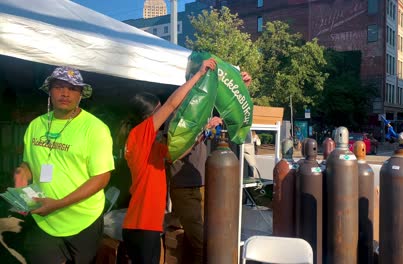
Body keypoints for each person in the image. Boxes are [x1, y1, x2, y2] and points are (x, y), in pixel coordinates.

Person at [13, 66, 115, 263]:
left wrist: (58, 204)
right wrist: (21, 176)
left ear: (81, 94)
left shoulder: (95, 129)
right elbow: (28, 163)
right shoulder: (36, 125)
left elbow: (102, 177)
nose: (65, 93)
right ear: (49, 91)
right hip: (43, 218)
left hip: (83, 218)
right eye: (59, 87)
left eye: (73, 88)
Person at [121, 59, 217, 264]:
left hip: (148, 226)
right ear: (148, 116)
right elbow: (173, 103)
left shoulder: (151, 146)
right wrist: (199, 75)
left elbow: (178, 153)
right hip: (142, 226)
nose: (164, 115)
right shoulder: (139, 135)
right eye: (159, 110)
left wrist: (204, 132)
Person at [167, 71, 252, 263]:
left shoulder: (202, 112)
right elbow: (174, 151)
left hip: (203, 184)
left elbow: (231, 113)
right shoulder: (176, 115)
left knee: (208, 238)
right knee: (203, 244)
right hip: (184, 187)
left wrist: (242, 87)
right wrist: (204, 132)